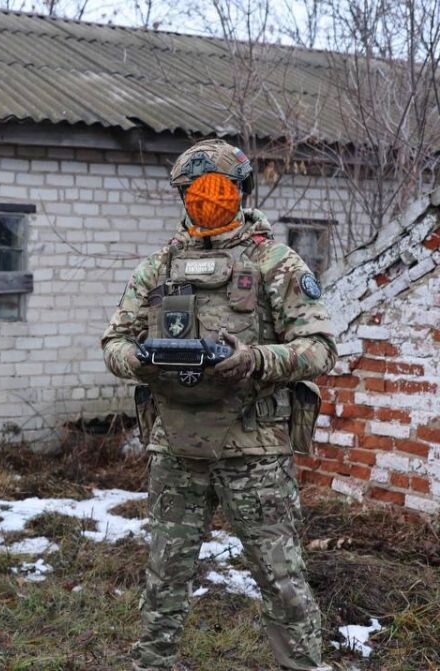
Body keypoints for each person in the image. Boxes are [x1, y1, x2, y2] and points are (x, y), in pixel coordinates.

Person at [101, 139, 336, 671]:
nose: (207, 202)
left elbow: (320, 348)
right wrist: (139, 359)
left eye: (218, 191)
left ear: (240, 193)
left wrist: (254, 359)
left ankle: (300, 664)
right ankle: (153, 662)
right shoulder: (160, 267)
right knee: (166, 572)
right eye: (196, 193)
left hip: (254, 448)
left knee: (280, 576)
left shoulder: (275, 264)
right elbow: (114, 342)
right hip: (176, 444)